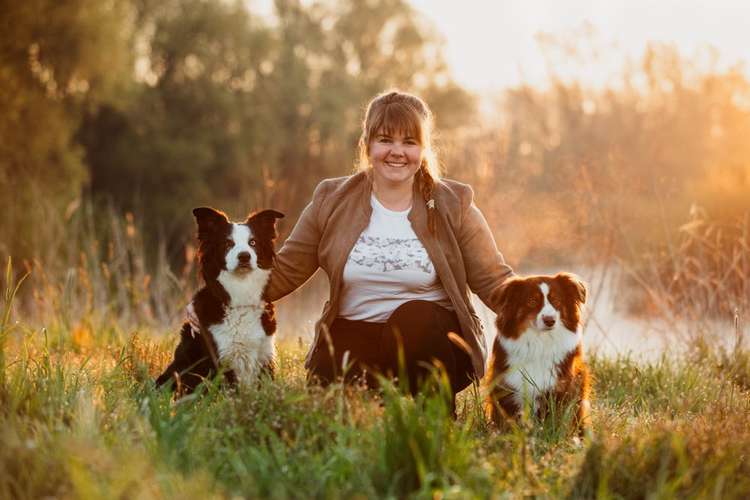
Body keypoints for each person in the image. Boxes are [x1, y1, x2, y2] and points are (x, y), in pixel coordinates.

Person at [189, 90, 514, 404]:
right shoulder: (332, 199)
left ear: (423, 148)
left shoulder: (453, 203)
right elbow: (283, 272)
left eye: (409, 142)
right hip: (356, 336)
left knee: (417, 316)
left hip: (435, 343)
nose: (396, 151)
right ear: (367, 144)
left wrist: (541, 308)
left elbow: (494, 280)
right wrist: (210, 298)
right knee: (329, 409)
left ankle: (435, 423)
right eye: (385, 140)